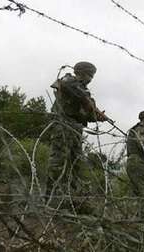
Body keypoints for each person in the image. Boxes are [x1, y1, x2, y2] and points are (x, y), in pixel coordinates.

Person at [47, 61, 107, 199]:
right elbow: (74, 91)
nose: (91, 79)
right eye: (89, 75)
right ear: (81, 73)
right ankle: (53, 197)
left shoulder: (83, 90)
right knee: (59, 160)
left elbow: (85, 113)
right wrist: (89, 104)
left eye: (92, 76)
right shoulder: (69, 81)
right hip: (62, 125)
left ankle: (74, 197)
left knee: (76, 162)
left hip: (75, 128)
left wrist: (98, 116)